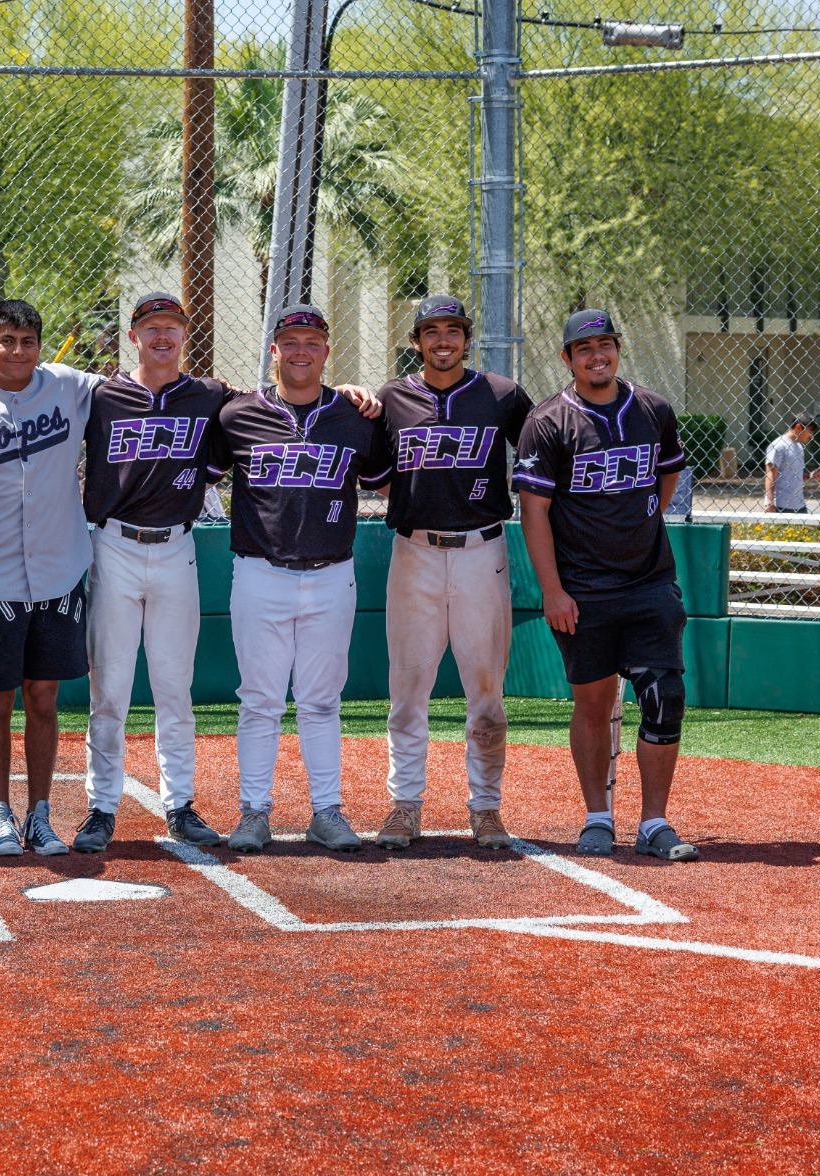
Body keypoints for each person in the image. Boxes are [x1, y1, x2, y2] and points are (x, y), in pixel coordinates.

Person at [513, 308, 697, 863]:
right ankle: (597, 816)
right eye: (585, 348)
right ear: (567, 358)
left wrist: (636, 524)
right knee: (593, 705)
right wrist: (552, 590)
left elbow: (667, 477)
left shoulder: (652, 410)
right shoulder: (547, 423)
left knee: (665, 699)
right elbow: (534, 512)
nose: (598, 355)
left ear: (618, 349)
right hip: (582, 589)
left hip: (648, 581)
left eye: (606, 344)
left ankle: (654, 822)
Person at [356, 295, 532, 852]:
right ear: (415, 342)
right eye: (431, 332)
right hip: (415, 551)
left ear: (466, 338)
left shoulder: (502, 396)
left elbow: (542, 455)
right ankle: (405, 805)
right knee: (408, 688)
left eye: (453, 331)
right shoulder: (392, 398)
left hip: (483, 550)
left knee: (486, 688)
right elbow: (378, 474)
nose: (442, 341)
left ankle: (486, 808)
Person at [206, 304, 381, 854]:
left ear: (327, 351)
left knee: (321, 700)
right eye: (290, 341)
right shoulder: (237, 416)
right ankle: (254, 812)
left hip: (332, 573)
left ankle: (326, 812)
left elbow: (383, 482)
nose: (301, 349)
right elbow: (198, 471)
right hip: (260, 572)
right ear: (274, 351)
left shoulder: (356, 416)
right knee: (259, 699)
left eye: (312, 340)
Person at [0, 299, 100, 858]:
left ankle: (41, 814)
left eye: (28, 341)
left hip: (58, 569)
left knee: (45, 697)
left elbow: (138, 390)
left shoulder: (71, 385)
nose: (19, 351)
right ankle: (0, 814)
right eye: (6, 340)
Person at [72, 291, 231, 853]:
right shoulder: (99, 395)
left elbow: (280, 404)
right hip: (112, 544)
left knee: (173, 686)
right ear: (133, 336)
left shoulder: (209, 396)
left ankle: (179, 804)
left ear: (185, 335)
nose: (162, 336)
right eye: (151, 327)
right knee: (109, 687)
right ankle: (101, 806)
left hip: (176, 549)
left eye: (172, 326)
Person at [764, 414, 817, 514]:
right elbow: (770, 474)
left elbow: (793, 476)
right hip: (780, 505)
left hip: (799, 505)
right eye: (809, 431)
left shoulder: (799, 447)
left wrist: (810, 476)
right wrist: (769, 503)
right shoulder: (779, 445)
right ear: (798, 427)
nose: (811, 436)